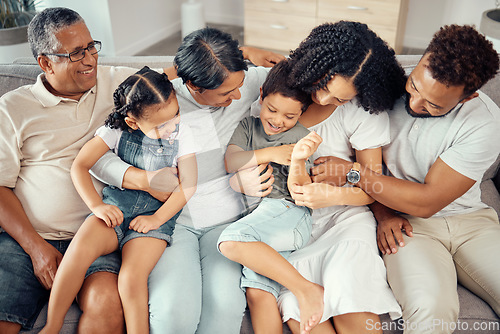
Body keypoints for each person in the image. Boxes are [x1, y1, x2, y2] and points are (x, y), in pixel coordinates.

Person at [0, 7, 281, 333]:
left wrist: (242, 53)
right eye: (76, 53)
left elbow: (187, 70)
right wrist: (142, 180)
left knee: (121, 302)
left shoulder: (126, 84)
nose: (90, 60)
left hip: (133, 223)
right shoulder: (15, 108)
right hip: (50, 233)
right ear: (46, 62)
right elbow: (81, 163)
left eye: (92, 47)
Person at [90, 27, 286, 333]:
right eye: (225, 93)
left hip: (226, 221)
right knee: (173, 315)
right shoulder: (159, 98)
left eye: (240, 86)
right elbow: (97, 159)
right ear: (192, 85)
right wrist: (143, 179)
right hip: (171, 222)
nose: (237, 96)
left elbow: (302, 79)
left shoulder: (245, 83)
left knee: (225, 310)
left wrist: (247, 52)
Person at [310, 25, 500, 334]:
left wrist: (352, 174)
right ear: (422, 59)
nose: (413, 105)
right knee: (430, 308)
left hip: (472, 223)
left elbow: (427, 201)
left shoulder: (485, 123)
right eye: (414, 87)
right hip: (407, 225)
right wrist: (382, 213)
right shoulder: (383, 84)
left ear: (469, 97)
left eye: (434, 105)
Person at [231, 21, 407, 334]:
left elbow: (374, 187)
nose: (325, 100)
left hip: (344, 224)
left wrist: (335, 194)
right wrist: (244, 50)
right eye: (323, 87)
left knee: (353, 307)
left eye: (339, 98)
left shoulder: (361, 112)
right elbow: (196, 68)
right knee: (309, 323)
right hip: (288, 229)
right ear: (315, 65)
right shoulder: (279, 88)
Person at [41, 66, 197, 334]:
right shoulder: (115, 130)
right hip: (116, 208)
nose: (173, 127)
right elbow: (80, 165)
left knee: (130, 278)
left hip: (155, 219)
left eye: (176, 116)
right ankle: (51, 326)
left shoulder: (184, 135)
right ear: (133, 122)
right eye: (161, 125)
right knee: (78, 251)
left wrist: (156, 219)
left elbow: (189, 185)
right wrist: (96, 206)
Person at [217, 59, 324, 334]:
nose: (278, 121)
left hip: (287, 214)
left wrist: (298, 159)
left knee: (230, 241)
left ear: (302, 112)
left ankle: (307, 290)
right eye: (272, 110)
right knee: (257, 292)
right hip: (260, 225)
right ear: (262, 95)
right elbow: (232, 161)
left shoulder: (303, 138)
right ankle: (302, 290)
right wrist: (272, 154)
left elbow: (301, 190)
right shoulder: (247, 127)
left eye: (289, 117)